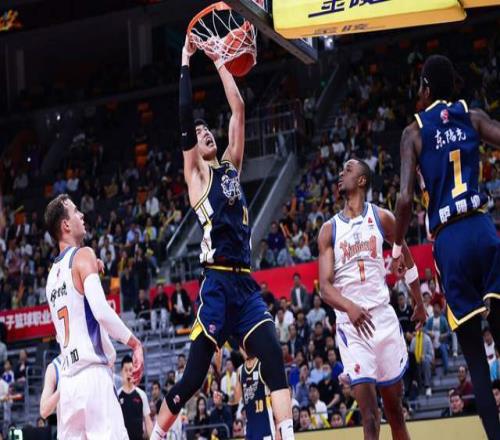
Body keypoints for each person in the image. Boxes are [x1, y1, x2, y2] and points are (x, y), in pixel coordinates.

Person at [151, 36, 294, 440]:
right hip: (215, 283)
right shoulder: (197, 177)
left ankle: (287, 435)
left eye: (207, 129)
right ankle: (157, 435)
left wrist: (219, 61)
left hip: (244, 284)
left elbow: (239, 109)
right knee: (193, 379)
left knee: (273, 354)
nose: (204, 133)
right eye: (198, 134)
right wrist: (185, 60)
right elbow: (185, 117)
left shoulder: (231, 166)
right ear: (192, 148)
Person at [392, 54, 500, 439]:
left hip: (451, 239)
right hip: (483, 228)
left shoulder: (414, 132)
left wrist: (397, 245)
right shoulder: (472, 116)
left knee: (476, 362)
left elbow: (404, 200)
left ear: (424, 88)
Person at [318, 159, 426, 440]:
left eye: (348, 169)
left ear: (362, 180)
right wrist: (350, 307)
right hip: (353, 327)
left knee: (395, 413)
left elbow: (407, 258)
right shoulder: (329, 230)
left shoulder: (382, 217)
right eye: (341, 169)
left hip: (383, 320)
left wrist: (419, 302)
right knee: (369, 418)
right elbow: (324, 288)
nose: (341, 173)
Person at [43, 194, 143, 439]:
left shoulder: (51, 278)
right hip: (93, 378)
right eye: (76, 212)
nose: (82, 215)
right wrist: (134, 343)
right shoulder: (83, 254)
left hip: (68, 386)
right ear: (66, 225)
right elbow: (101, 311)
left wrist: (92, 268)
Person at [235, 355, 276, 440]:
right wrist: (224, 398)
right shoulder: (240, 370)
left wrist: (279, 424)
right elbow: (235, 400)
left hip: (265, 425)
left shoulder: (263, 365)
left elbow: (277, 395)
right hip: (250, 428)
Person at [118, 355, 153, 440]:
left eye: (130, 370)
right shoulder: (117, 396)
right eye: (125, 370)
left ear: (134, 371)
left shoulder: (141, 394)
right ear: (121, 372)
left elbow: (148, 422)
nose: (128, 373)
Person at [39, 356, 62, 420]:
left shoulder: (87, 360)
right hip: (68, 424)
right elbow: (43, 411)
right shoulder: (55, 367)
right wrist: (60, 390)